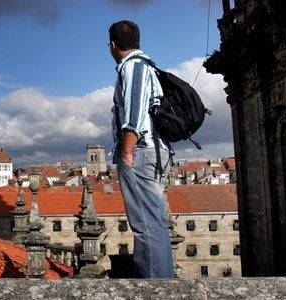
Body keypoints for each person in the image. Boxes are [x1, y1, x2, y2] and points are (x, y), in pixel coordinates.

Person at [108, 20, 174, 278]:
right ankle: (165, 284)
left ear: (113, 45)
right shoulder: (148, 66)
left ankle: (156, 288)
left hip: (141, 152)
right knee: (154, 223)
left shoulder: (133, 67)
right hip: (154, 151)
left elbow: (134, 117)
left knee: (145, 225)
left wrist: (126, 154)